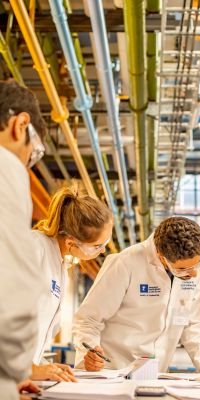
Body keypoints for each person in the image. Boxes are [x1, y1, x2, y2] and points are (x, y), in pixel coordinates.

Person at [73, 217, 200, 374]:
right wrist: (89, 354)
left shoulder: (190, 268)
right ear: (161, 256)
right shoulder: (125, 263)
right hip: (114, 370)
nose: (194, 273)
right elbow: (88, 319)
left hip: (154, 373)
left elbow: (192, 323)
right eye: (182, 269)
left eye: (197, 264)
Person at [31, 182, 113, 381]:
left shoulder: (60, 266)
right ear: (71, 242)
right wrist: (29, 369)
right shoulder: (34, 249)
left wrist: (42, 366)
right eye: (97, 245)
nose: (102, 251)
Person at [0, 80, 46, 399]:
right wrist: (15, 370)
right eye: (35, 153)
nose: (29, 161)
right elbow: (12, 289)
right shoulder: (6, 166)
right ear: (21, 124)